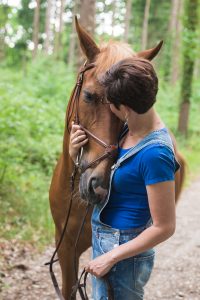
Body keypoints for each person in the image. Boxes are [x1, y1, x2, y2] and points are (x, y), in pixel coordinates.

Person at [69, 57, 180, 300]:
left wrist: (111, 257)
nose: (108, 107)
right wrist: (74, 154)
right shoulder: (127, 130)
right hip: (106, 242)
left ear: (124, 108)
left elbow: (165, 227)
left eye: (110, 102)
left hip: (124, 257)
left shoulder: (155, 154)